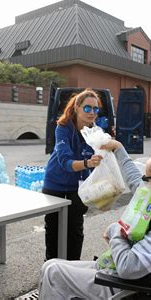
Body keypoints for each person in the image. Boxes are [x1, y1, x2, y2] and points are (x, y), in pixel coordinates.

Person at [39, 141, 151, 299]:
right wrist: (119, 148)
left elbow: (129, 267)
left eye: (146, 178)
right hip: (131, 274)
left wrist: (116, 232)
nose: (143, 183)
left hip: (129, 287)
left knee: (53, 273)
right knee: (51, 264)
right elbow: (135, 180)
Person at [43, 89, 103, 261]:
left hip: (78, 188)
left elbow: (103, 158)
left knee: (75, 231)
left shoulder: (96, 133)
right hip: (55, 185)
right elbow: (65, 161)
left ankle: (72, 271)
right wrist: (87, 163)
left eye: (95, 109)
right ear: (77, 107)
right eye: (87, 108)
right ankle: (52, 270)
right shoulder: (63, 128)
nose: (92, 112)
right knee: (53, 231)